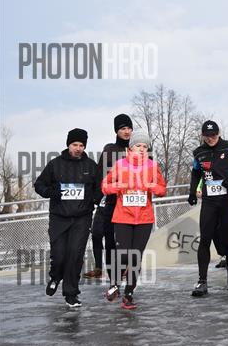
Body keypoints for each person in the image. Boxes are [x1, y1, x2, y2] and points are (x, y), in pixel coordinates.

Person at [34, 129, 101, 308]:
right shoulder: (55, 164)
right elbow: (39, 184)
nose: (78, 148)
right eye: (74, 144)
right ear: (68, 145)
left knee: (75, 255)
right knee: (59, 255)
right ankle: (56, 276)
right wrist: (50, 192)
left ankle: (71, 294)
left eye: (81, 145)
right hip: (59, 217)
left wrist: (94, 199)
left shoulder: (91, 166)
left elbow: (100, 187)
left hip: (82, 218)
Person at [102, 131, 167, 310]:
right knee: (123, 254)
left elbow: (162, 189)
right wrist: (119, 186)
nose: (141, 149)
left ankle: (129, 293)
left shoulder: (152, 166)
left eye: (145, 146)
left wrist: (151, 186)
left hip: (144, 219)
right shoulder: (120, 165)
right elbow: (105, 186)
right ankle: (115, 284)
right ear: (131, 147)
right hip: (123, 216)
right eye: (138, 145)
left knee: (135, 257)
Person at [187, 120, 228, 297]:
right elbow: (196, 172)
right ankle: (202, 281)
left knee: (226, 239)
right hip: (209, 201)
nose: (210, 139)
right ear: (203, 136)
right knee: (205, 238)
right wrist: (192, 192)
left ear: (218, 134)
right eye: (207, 136)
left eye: (213, 135)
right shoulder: (199, 152)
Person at [84, 114, 133, 280]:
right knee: (98, 233)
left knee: (123, 236)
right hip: (108, 198)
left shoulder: (136, 149)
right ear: (116, 131)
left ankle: (124, 267)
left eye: (129, 128)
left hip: (128, 199)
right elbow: (100, 174)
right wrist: (97, 198)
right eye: (123, 128)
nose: (126, 131)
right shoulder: (110, 149)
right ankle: (100, 268)